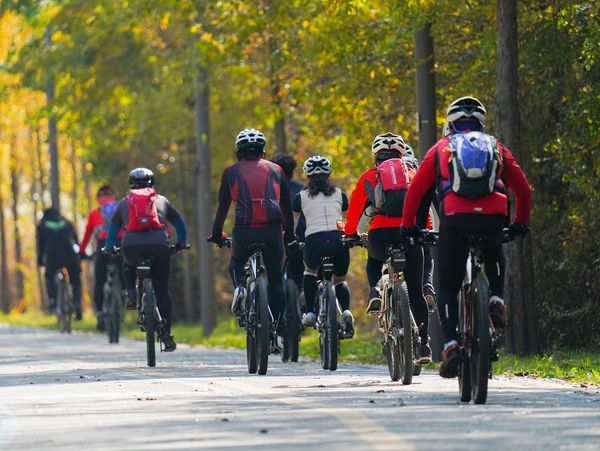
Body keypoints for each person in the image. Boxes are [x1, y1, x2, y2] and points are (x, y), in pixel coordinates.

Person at [401, 96, 532, 378]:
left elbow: (416, 192)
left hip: (455, 219)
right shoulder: (496, 146)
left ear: (450, 123)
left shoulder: (441, 148)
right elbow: (523, 190)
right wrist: (520, 222)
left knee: (447, 285)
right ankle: (496, 298)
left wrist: (409, 226)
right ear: (481, 124)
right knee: (495, 248)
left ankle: (450, 345)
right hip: (493, 216)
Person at [344, 133, 433, 363]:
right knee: (415, 292)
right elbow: (424, 208)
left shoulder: (369, 176)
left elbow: (354, 211)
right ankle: (423, 345)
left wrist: (350, 234)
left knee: (374, 260)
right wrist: (424, 231)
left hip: (380, 233)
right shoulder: (413, 174)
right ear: (401, 154)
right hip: (409, 233)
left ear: (376, 155)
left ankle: (375, 290)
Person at [208, 128, 295, 349]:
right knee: (276, 280)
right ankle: (275, 332)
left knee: (236, 263)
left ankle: (240, 287)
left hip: (244, 231)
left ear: (239, 151)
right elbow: (286, 206)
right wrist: (290, 234)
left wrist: (217, 235)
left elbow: (223, 207)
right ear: (262, 150)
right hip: (273, 231)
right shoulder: (276, 170)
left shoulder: (230, 172)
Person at [103, 168, 187, 352]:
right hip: (159, 245)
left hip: (131, 245)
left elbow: (113, 230)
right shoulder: (162, 200)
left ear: (130, 184)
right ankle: (166, 332)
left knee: (128, 262)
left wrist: (109, 249)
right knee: (163, 292)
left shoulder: (125, 203)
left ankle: (131, 293)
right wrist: (181, 243)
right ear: (152, 182)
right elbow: (179, 223)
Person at [293, 155, 354, 337]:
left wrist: (292, 241)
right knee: (340, 280)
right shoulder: (339, 194)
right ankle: (346, 311)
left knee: (309, 272)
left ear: (307, 175)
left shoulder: (300, 197)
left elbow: (294, 226)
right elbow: (345, 220)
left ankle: (310, 312)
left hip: (314, 242)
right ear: (329, 174)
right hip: (338, 240)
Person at [79, 185, 125, 331]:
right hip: (121, 244)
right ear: (114, 197)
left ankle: (99, 313)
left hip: (103, 246)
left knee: (99, 281)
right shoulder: (122, 209)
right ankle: (126, 294)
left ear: (99, 199)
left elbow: (87, 235)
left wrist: (81, 252)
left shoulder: (94, 214)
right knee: (125, 271)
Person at [36, 208, 82, 319]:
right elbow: (75, 241)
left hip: (52, 256)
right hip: (70, 255)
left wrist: (40, 261)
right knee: (76, 280)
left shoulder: (42, 225)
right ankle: (76, 302)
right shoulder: (67, 222)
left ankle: (53, 300)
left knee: (49, 277)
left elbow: (41, 245)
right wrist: (79, 256)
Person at [271, 153, 305, 289]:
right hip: (300, 236)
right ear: (292, 172)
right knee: (301, 272)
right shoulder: (301, 189)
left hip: (275, 236)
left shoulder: (269, 190)